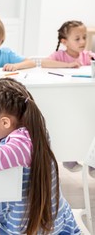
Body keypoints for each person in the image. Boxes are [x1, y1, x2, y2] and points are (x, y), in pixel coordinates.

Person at [0, 78, 80, 234]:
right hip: (45, 212)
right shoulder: (31, 128)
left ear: (5, 122)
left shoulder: (23, 143)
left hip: (30, 223)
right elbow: (4, 131)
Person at [42, 20, 95, 174]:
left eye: (84, 37)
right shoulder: (60, 55)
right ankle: (68, 158)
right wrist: (67, 65)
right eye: (77, 39)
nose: (83, 42)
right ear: (64, 41)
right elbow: (45, 63)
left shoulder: (87, 56)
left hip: (83, 99)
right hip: (65, 100)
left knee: (87, 126)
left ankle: (91, 162)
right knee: (68, 126)